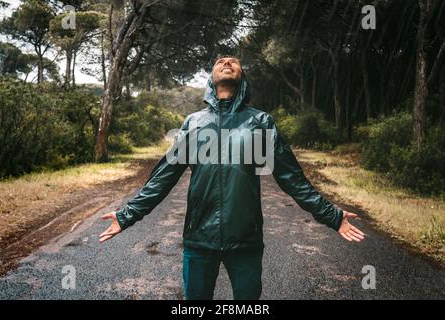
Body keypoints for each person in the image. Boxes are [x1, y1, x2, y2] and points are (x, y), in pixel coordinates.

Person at [99, 55, 365, 300]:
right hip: (199, 239)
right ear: (211, 78)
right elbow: (163, 177)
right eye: (220, 62)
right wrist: (127, 215)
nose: (226, 62)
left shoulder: (260, 121)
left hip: (246, 241)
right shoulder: (193, 123)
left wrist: (332, 215)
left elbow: (292, 179)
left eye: (233, 62)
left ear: (242, 77)